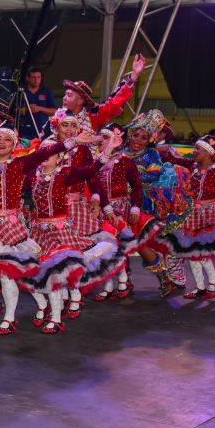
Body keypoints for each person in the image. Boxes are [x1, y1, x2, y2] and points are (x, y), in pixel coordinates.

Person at [0, 121, 95, 335]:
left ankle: (10, 318)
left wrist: (72, 142)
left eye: (7, 139)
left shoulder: (20, 165)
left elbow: (47, 151)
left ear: (14, 144)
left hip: (10, 228)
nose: (2, 143)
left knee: (8, 274)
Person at [20, 133, 126, 334]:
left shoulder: (64, 174)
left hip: (60, 233)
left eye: (50, 153)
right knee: (42, 274)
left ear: (59, 157)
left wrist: (108, 150)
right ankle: (48, 308)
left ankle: (57, 317)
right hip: (39, 232)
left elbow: (91, 170)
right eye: (42, 152)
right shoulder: (34, 176)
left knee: (56, 274)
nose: (45, 156)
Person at [155, 135, 215, 299]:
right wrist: (158, 148)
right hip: (191, 214)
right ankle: (201, 286)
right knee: (193, 252)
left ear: (208, 152)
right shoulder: (192, 165)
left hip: (208, 214)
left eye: (197, 149)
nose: (194, 152)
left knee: (200, 252)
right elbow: (172, 159)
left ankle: (213, 282)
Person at [87, 123, 164, 300]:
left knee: (133, 245)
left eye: (109, 137)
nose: (105, 141)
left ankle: (161, 275)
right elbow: (92, 183)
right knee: (110, 248)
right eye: (103, 137)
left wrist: (135, 208)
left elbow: (138, 185)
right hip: (100, 211)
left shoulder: (125, 161)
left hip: (123, 208)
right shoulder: (95, 161)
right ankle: (118, 284)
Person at [122, 109, 195, 297]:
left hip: (141, 205)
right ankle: (124, 280)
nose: (138, 139)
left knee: (138, 242)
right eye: (136, 134)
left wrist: (131, 177)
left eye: (144, 137)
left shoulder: (150, 154)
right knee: (117, 242)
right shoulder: (120, 151)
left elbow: (154, 174)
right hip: (116, 203)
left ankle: (163, 276)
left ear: (149, 140)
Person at [50, 54, 146, 147]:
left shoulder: (92, 115)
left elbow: (113, 103)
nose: (64, 98)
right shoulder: (59, 114)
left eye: (69, 95)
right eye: (65, 94)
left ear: (80, 101)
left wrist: (134, 75)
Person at [18, 67, 56, 140]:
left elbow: (54, 111)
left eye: (39, 77)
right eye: (33, 77)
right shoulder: (21, 91)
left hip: (43, 132)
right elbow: (15, 111)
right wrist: (27, 109)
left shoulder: (46, 91)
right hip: (24, 131)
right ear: (27, 78)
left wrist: (39, 108)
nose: (36, 80)